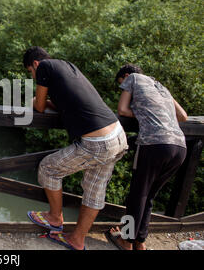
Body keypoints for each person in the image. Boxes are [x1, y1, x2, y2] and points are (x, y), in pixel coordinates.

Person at [23, 47, 128, 250]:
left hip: (97, 142)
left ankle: (54, 217)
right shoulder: (67, 66)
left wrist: (35, 100)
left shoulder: (43, 67)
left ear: (35, 64)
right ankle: (77, 240)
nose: (33, 75)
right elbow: (64, 103)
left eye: (30, 71)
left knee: (48, 168)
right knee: (94, 191)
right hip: (117, 135)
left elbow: (40, 105)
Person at [105, 64, 187, 250]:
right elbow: (182, 116)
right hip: (179, 147)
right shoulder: (160, 86)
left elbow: (123, 111)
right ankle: (140, 242)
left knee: (137, 195)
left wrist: (144, 114)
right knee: (148, 196)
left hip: (154, 145)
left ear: (126, 76)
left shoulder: (132, 79)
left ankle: (126, 241)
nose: (124, 87)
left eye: (121, 84)